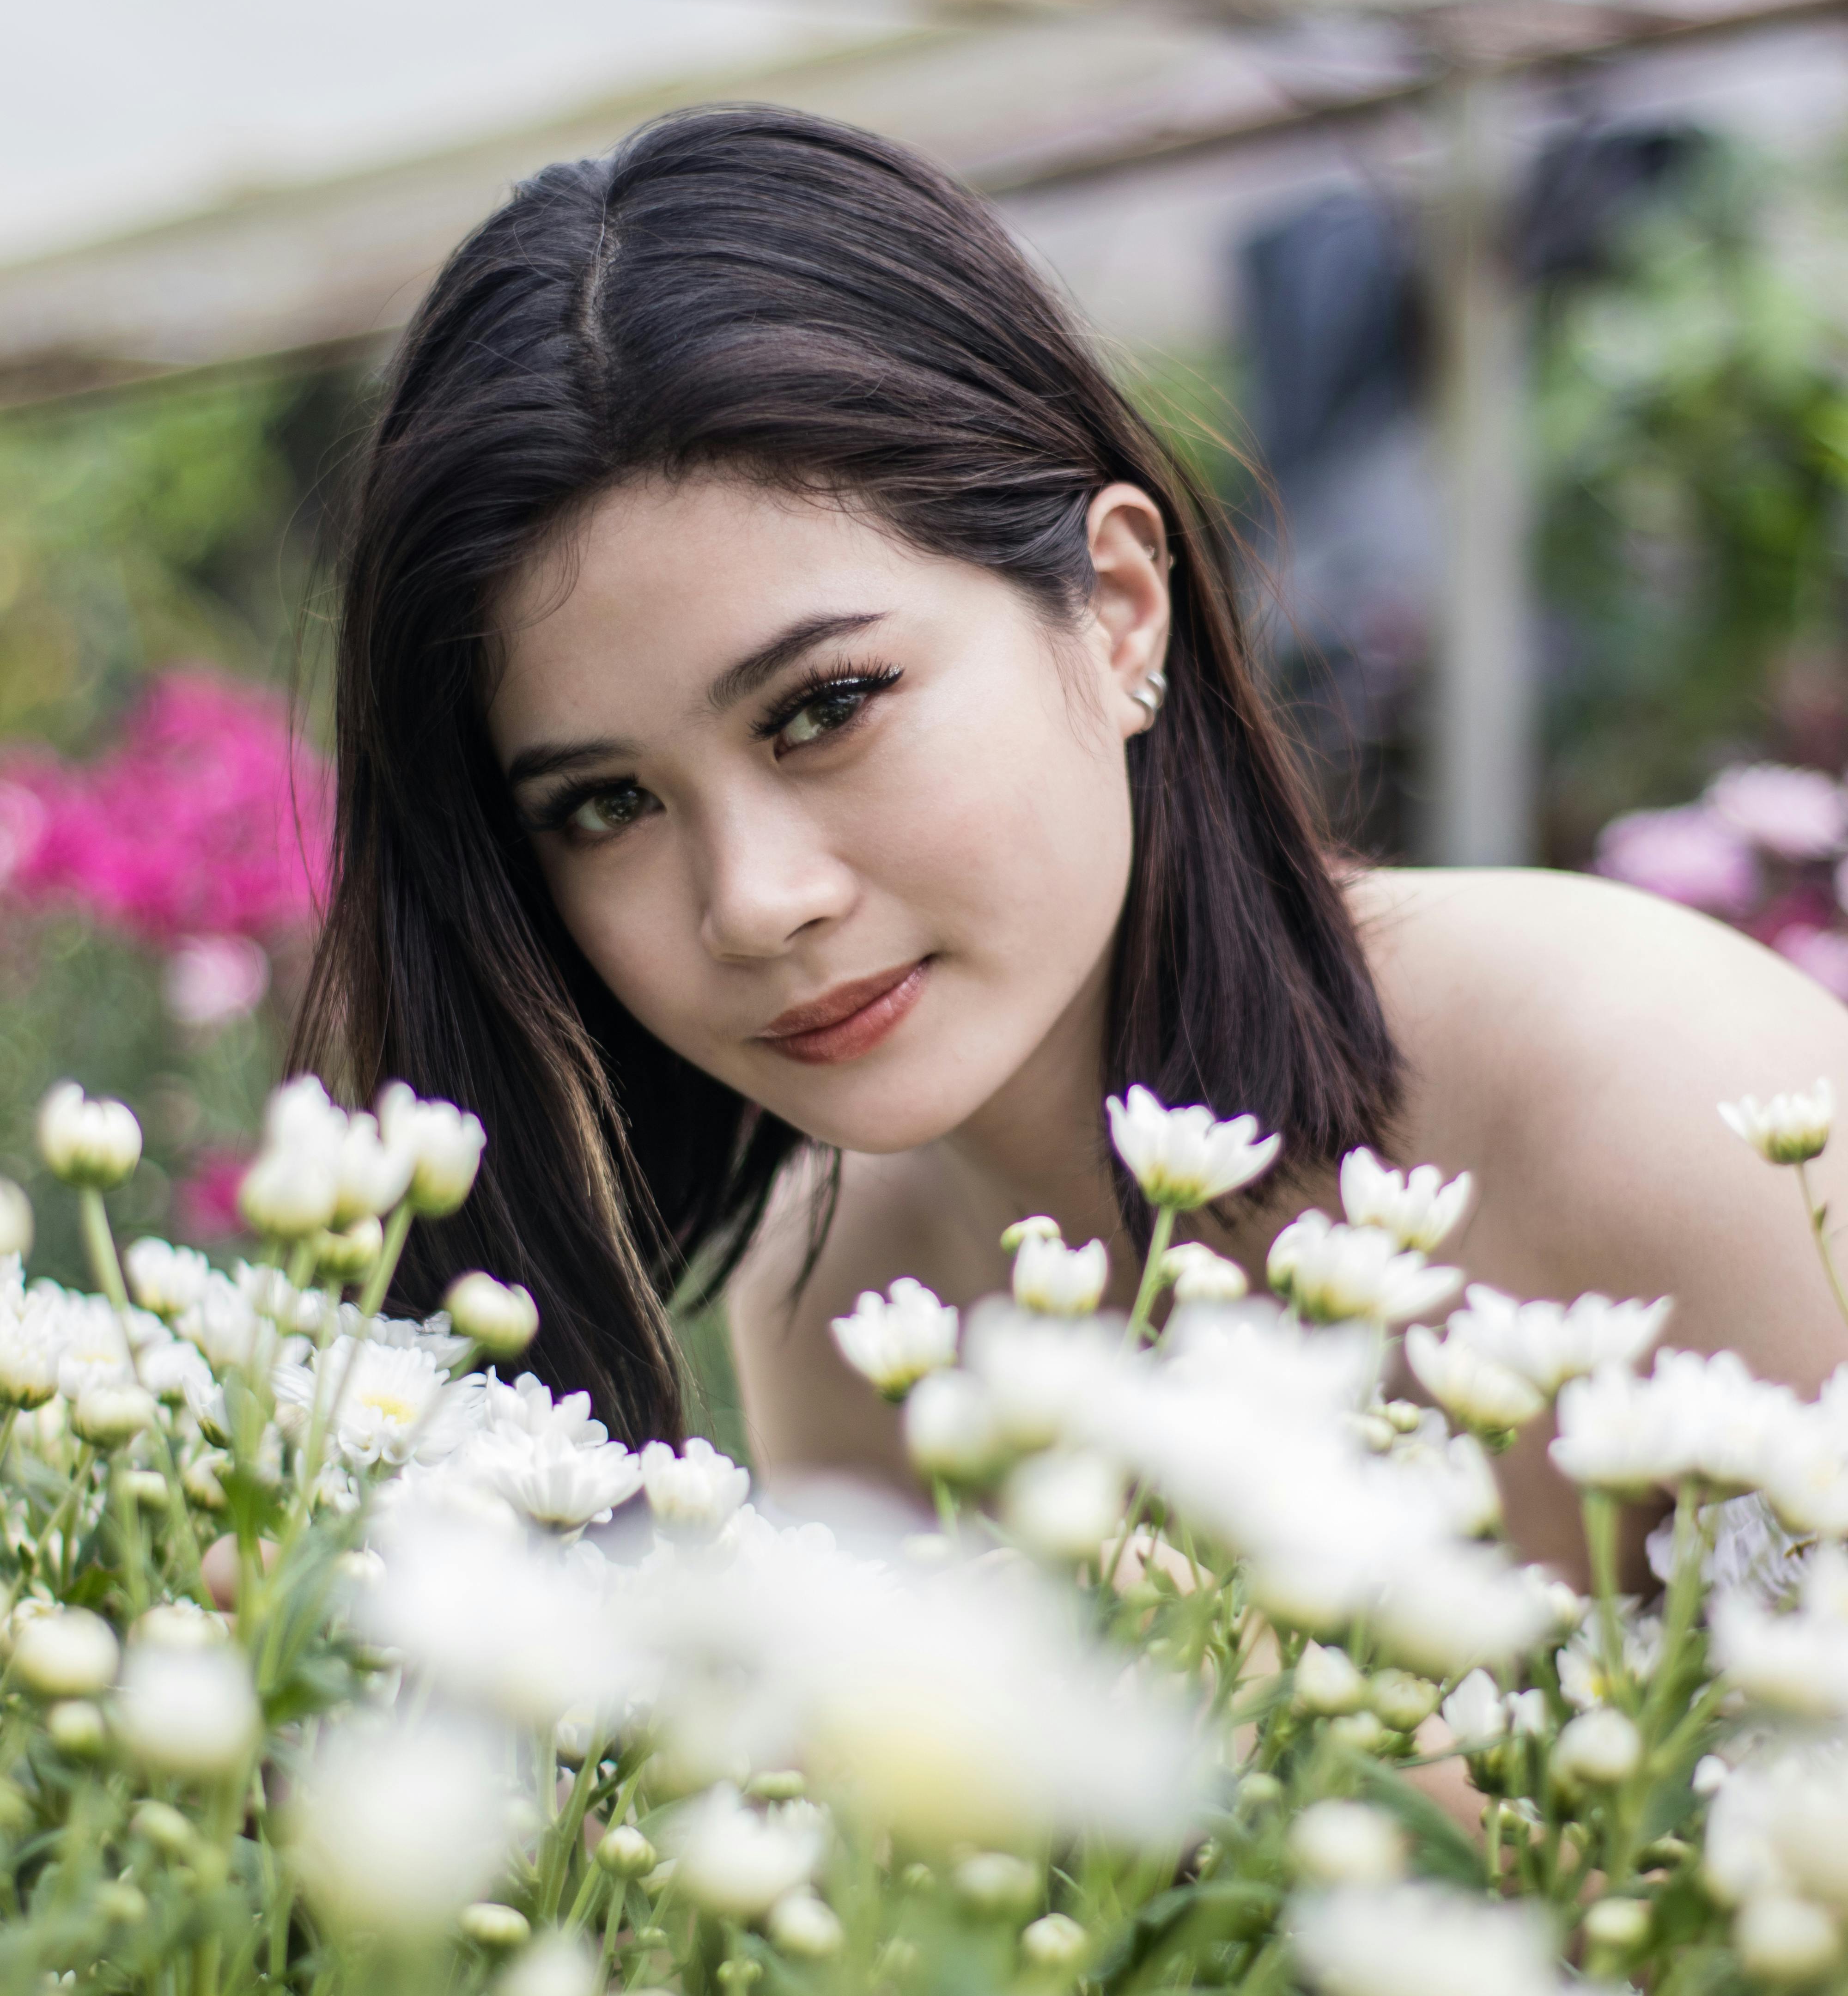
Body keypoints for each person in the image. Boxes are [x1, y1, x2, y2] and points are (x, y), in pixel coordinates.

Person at [298, 102, 1848, 1577]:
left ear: (1118, 607)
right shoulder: (843, 1304)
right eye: (606, 805)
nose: (756, 902)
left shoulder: (1671, 1105)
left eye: (826, 706)